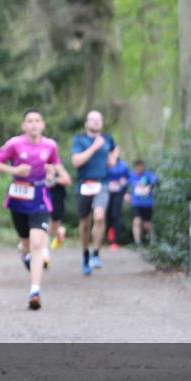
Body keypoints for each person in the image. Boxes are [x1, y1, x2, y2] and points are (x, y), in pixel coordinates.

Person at [0, 109, 68, 310]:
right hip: (18, 197)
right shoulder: (15, 144)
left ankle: (35, 291)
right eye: (29, 121)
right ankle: (26, 256)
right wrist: (15, 170)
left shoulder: (50, 146)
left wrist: (52, 175)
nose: (33, 124)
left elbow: (54, 167)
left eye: (37, 120)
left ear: (43, 124)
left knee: (37, 244)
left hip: (40, 198)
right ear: (24, 125)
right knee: (26, 245)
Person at [70, 110, 118, 276]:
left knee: (99, 216)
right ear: (86, 123)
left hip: (102, 184)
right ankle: (85, 254)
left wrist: (113, 158)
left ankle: (96, 253)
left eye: (99, 120)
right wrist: (94, 147)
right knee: (84, 224)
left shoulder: (108, 139)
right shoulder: (79, 139)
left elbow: (114, 150)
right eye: (93, 120)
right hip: (84, 184)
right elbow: (76, 162)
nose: (96, 122)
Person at [127, 159, 158, 246]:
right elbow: (125, 184)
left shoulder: (148, 175)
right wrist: (127, 194)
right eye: (137, 167)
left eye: (140, 166)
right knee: (137, 221)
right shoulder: (131, 176)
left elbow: (155, 180)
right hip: (136, 203)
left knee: (147, 224)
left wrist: (148, 186)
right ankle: (138, 243)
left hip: (147, 203)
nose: (139, 168)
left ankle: (152, 241)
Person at [105, 154, 130, 251]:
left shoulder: (123, 166)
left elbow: (129, 179)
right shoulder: (105, 165)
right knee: (107, 215)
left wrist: (126, 189)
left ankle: (115, 241)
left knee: (116, 215)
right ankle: (108, 237)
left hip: (118, 194)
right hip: (107, 193)